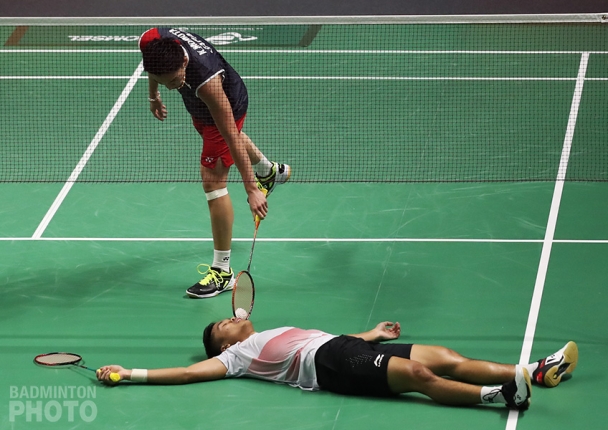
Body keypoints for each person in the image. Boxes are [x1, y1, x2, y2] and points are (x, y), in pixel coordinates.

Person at [97, 318, 578, 411]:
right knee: (419, 377)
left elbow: (320, 337)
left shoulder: (268, 330)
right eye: (222, 325)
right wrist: (127, 373)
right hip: (331, 368)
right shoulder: (235, 357)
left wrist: (371, 335)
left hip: (343, 346)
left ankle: (533, 371)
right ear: (221, 344)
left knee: (448, 357)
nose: (229, 319)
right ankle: (497, 395)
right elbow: (185, 374)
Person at [138, 28, 291, 299]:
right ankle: (267, 171)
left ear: (183, 62)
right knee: (221, 145)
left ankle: (222, 271)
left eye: (173, 80)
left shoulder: (207, 83)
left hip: (227, 102)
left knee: (213, 182)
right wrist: (154, 95)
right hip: (198, 105)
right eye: (164, 82)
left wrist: (252, 190)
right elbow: (154, 68)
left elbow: (230, 134)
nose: (170, 86)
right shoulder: (151, 41)